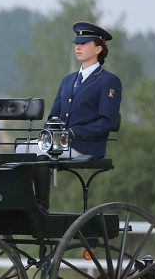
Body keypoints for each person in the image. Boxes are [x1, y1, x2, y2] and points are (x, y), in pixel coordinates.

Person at [18, 21, 122, 211]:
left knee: (36, 153)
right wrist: (48, 135)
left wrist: (71, 133)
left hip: (85, 145)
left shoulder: (109, 81)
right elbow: (54, 117)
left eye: (84, 43)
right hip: (59, 143)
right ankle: (24, 202)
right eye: (76, 43)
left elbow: (106, 122)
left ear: (99, 48)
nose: (78, 47)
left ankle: (40, 207)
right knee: (21, 149)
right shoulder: (68, 80)